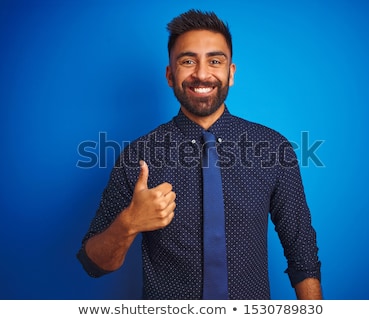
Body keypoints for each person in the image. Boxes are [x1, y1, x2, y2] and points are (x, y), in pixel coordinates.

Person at [77, 9, 322, 300]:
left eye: (215, 61)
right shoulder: (138, 157)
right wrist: (129, 222)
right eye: (188, 61)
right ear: (170, 75)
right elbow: (94, 264)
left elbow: (301, 250)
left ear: (230, 73)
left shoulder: (273, 148)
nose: (202, 74)